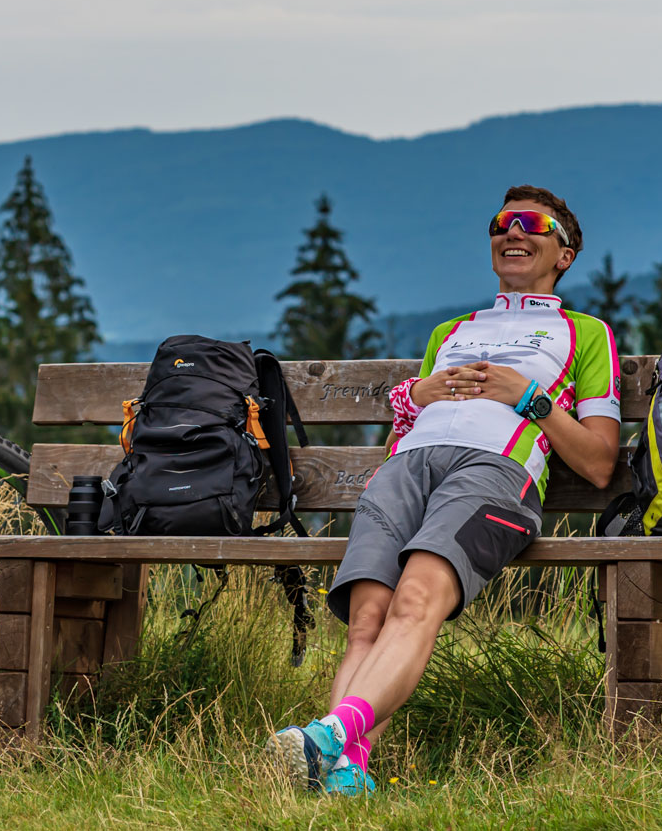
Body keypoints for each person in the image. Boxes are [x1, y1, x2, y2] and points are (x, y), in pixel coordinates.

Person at [266, 185, 621, 796]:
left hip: (496, 471)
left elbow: (598, 462)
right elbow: (401, 433)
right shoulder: (451, 332)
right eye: (501, 223)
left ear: (564, 255)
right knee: (366, 619)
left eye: (533, 224)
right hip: (406, 468)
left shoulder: (585, 334)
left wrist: (528, 398)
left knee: (416, 600)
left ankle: (329, 736)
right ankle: (348, 774)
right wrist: (415, 397)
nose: (513, 231)